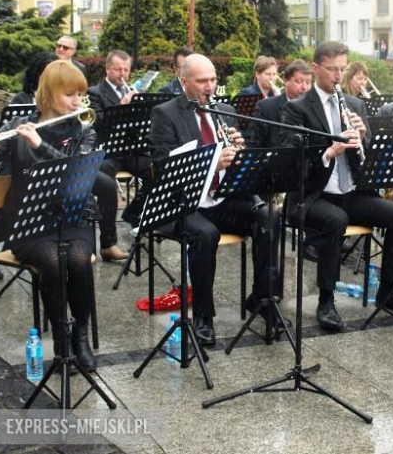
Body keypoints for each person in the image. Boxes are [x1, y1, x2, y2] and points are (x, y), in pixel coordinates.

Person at [148, 54, 279, 346]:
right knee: (205, 234)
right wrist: (212, 163)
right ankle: (204, 316)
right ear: (184, 82)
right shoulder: (165, 113)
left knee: (268, 217)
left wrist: (239, 153)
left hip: (220, 199)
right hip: (183, 202)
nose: (210, 86)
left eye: (213, 80)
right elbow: (162, 168)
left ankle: (262, 297)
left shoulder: (225, 110)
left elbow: (237, 163)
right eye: (202, 81)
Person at [281, 41, 393, 332]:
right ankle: (326, 301)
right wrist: (329, 150)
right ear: (315, 68)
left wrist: (363, 137)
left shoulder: (355, 105)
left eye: (342, 69)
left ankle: (389, 290)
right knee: (335, 220)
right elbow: (292, 161)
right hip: (315, 195)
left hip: (351, 192)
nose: (338, 76)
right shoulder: (297, 109)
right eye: (332, 69)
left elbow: (368, 156)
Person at [0, 60, 101, 370]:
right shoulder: (19, 126)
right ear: (49, 93)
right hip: (28, 222)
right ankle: (62, 343)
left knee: (77, 258)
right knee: (52, 261)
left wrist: (40, 146)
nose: (77, 101)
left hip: (72, 217)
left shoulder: (83, 130)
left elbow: (78, 170)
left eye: (80, 94)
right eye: (70, 94)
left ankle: (80, 336)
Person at [87, 50, 153, 260]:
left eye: (126, 69)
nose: (122, 74)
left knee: (158, 171)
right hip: (108, 152)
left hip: (132, 149)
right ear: (107, 69)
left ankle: (133, 213)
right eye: (118, 69)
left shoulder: (132, 91)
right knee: (105, 182)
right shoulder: (95, 92)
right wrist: (121, 106)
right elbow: (96, 123)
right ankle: (108, 244)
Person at [246, 59, 313, 149]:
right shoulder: (266, 108)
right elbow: (253, 146)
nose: (305, 87)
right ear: (285, 81)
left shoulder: (315, 109)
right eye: (299, 81)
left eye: (308, 83)